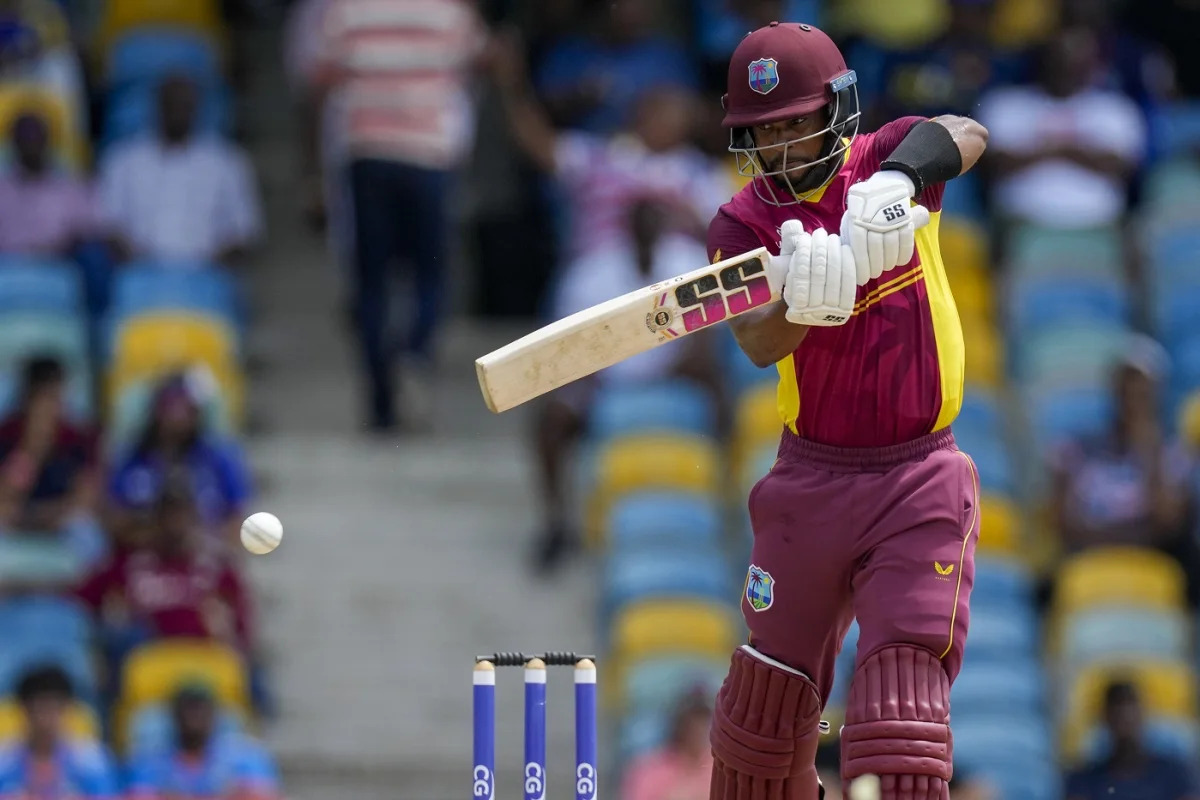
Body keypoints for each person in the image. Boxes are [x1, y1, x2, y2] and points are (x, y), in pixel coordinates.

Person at [702, 20, 988, 798]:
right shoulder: (742, 227)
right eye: (767, 132)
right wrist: (799, 297)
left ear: (837, 110)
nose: (787, 146)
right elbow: (758, 345)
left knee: (898, 725)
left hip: (917, 476)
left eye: (799, 122)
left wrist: (896, 184)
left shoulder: (886, 159)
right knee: (759, 729)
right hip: (811, 479)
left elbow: (965, 131)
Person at [310, 0, 489, 433]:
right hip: (429, 157)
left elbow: (322, 80)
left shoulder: (350, 10)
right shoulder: (450, 12)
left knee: (371, 282)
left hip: (368, 156)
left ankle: (380, 403)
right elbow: (482, 59)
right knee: (431, 273)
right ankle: (415, 353)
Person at [530, 198, 721, 572]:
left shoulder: (687, 262)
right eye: (640, 223)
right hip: (606, 383)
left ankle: (722, 508)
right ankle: (557, 523)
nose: (648, 231)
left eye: (655, 222)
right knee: (550, 419)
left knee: (719, 382)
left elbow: (705, 337)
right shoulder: (593, 271)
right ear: (627, 227)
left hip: (672, 379)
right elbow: (570, 343)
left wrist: (670, 372)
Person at [1049, 336, 1196, 598]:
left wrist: (1148, 449)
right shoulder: (1076, 450)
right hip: (1087, 559)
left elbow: (1167, 523)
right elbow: (1063, 524)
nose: (1132, 401)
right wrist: (1132, 534)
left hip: (1152, 563)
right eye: (1125, 389)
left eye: (1142, 393)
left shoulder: (1173, 455)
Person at [977, 26, 1147, 230]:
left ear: (1093, 64)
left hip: (1101, 224)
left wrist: (1048, 148)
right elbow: (997, 164)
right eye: (1059, 59)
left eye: (1076, 61)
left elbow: (1120, 168)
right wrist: (1075, 150)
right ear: (1044, 60)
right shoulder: (1005, 103)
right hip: (1018, 223)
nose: (1066, 68)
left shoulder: (1116, 108)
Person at [78, 481, 255, 662]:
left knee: (248, 671)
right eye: (168, 516)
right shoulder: (131, 563)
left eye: (181, 515)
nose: (175, 524)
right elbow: (85, 595)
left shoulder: (216, 566)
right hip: (146, 658)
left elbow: (242, 625)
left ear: (194, 519)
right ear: (156, 521)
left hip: (204, 655)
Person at [97, 73, 264, 265]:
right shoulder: (123, 159)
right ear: (158, 106)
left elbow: (245, 230)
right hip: (141, 273)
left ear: (196, 107)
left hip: (207, 272)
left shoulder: (227, 160)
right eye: (170, 104)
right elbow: (107, 224)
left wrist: (213, 262)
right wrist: (135, 259)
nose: (177, 111)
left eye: (184, 105)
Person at [106, 371, 253, 551]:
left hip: (205, 556)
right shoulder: (132, 459)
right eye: (171, 406)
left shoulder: (218, 460)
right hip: (143, 556)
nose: (178, 416)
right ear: (156, 410)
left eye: (185, 408)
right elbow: (114, 520)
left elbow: (237, 521)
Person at [532, 0, 696, 134]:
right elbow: (538, 110)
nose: (629, 11)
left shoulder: (667, 58)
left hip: (647, 164)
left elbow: (693, 113)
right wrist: (579, 95)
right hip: (582, 156)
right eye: (620, 4)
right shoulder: (570, 51)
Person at [125, 681, 282, 800]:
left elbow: (265, 795)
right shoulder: (149, 761)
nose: (195, 716)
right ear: (173, 714)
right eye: (188, 707)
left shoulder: (246, 754)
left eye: (201, 707)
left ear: (215, 713)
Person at [0, 356, 98, 539]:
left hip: (59, 520)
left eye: (53, 397)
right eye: (41, 398)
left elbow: (84, 499)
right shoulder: (6, 435)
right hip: (15, 520)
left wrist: (43, 516)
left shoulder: (79, 439)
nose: (49, 407)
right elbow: (3, 497)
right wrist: (31, 449)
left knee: (85, 530)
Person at [1065, 680, 1200, 800]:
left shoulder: (1175, 775)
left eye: (1130, 714)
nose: (1125, 721)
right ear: (1106, 719)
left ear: (1143, 715)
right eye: (1118, 716)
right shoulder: (1083, 780)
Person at [0, 666, 119, 799]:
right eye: (40, 708)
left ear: (67, 708)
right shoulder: (4, 761)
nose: (47, 718)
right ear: (24, 709)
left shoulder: (91, 760)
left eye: (54, 707)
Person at [620, 689, 715, 800]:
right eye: (692, 721)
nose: (699, 729)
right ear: (678, 724)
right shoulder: (649, 769)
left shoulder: (720, 769)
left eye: (704, 720)